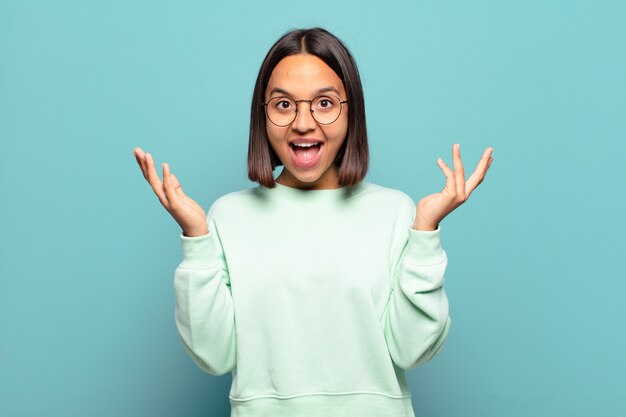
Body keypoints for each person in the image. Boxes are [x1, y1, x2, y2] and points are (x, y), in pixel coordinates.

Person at [133, 27, 493, 417]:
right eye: (284, 105)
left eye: (324, 103)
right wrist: (196, 239)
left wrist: (424, 234)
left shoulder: (395, 212)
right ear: (263, 115)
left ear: (351, 110)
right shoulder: (227, 217)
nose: (303, 123)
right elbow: (214, 357)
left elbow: (412, 350)